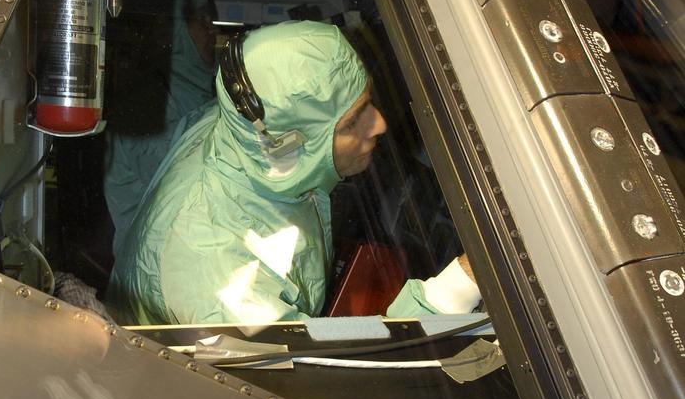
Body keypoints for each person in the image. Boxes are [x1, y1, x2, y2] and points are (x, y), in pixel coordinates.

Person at [113, 20, 480, 326]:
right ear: (290, 145)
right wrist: (459, 285)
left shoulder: (249, 133)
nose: (379, 124)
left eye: (367, 102)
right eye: (354, 122)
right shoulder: (215, 271)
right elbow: (326, 378)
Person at [104, 0, 217, 251]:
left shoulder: (200, 94)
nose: (212, 29)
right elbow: (187, 197)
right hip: (153, 270)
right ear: (175, 31)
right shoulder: (147, 105)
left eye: (211, 19)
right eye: (200, 20)